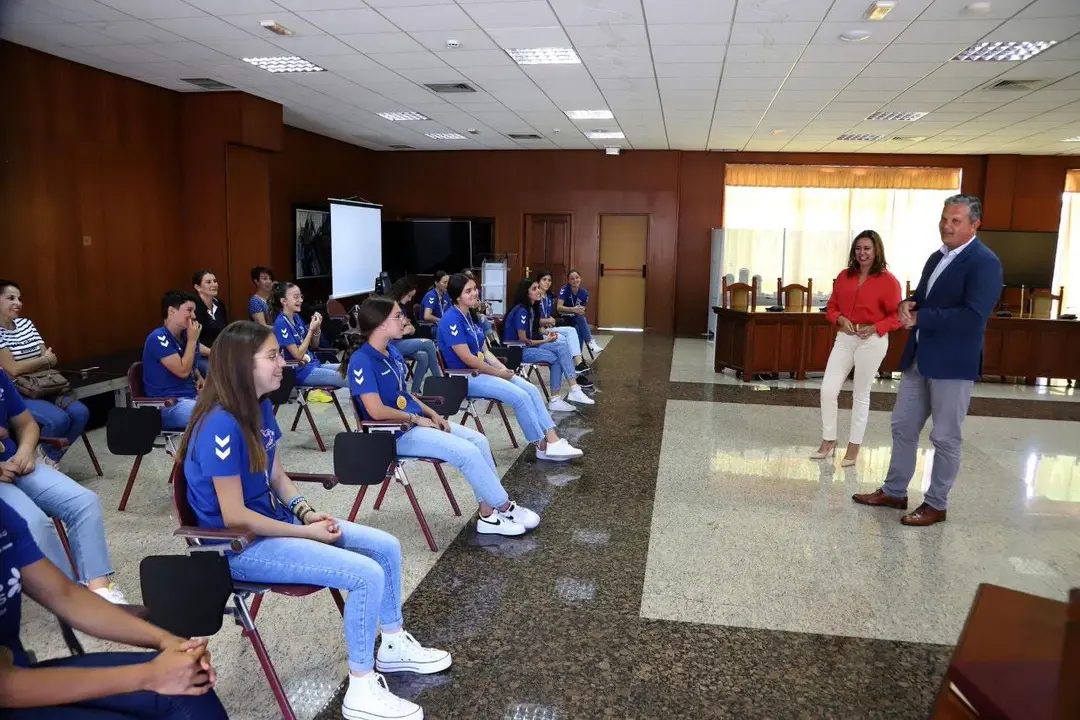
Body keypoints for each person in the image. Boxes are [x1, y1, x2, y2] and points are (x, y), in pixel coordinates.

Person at [178, 321, 449, 720]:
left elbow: (276, 476)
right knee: (365, 574)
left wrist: (307, 510)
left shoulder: (260, 406)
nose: (283, 362)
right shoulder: (221, 423)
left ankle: (392, 644)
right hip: (236, 547)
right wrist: (305, 532)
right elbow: (234, 516)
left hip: (274, 527)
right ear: (239, 366)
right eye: (271, 356)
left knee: (386, 547)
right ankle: (361, 689)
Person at [0, 498, 228, 719]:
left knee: (191, 687)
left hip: (17, 675)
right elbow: (5, 687)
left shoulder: (4, 514)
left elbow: (64, 595)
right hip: (10, 687)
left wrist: (167, 641)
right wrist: (150, 675)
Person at [853, 195, 1003, 526]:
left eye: (956, 221)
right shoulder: (938, 257)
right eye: (944, 219)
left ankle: (936, 503)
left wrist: (922, 318)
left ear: (974, 224)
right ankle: (894, 491)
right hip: (919, 357)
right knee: (902, 426)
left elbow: (973, 317)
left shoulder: (984, 262)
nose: (946, 226)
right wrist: (908, 303)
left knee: (945, 437)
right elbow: (923, 296)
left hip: (952, 363)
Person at [344, 297, 540, 536]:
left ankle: (488, 514)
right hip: (391, 434)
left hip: (413, 424)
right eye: (398, 316)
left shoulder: (391, 351)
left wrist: (432, 413)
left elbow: (403, 394)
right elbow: (374, 411)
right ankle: (505, 506)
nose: (403, 320)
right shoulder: (362, 360)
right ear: (381, 324)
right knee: (467, 453)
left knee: (479, 441)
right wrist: (416, 419)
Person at [0, 368, 128, 603]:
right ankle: (69, 598)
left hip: (17, 463)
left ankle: (99, 587)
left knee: (84, 502)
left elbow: (27, 424)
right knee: (33, 521)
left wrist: (26, 452)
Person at [436, 274, 583, 461]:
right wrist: (498, 373)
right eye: (468, 291)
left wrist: (503, 369)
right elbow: (468, 359)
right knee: (519, 397)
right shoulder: (451, 320)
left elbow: (485, 352)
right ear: (457, 296)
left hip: (483, 372)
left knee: (530, 389)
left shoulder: (470, 317)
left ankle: (552, 440)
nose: (475, 293)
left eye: (475, 288)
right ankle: (541, 444)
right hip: (465, 377)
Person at [813, 231, 901, 467]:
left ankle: (853, 448)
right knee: (828, 390)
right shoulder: (844, 276)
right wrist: (840, 319)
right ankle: (829, 440)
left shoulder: (888, 281)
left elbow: (898, 316)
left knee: (860, 394)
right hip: (845, 338)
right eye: (858, 249)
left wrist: (875, 328)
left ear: (877, 251)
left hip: (872, 341)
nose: (862, 253)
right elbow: (831, 307)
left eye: (867, 249)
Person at [0, 280, 91, 468]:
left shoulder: (26, 324)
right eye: (11, 298)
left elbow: (52, 359)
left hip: (45, 386)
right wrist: (41, 361)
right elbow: (12, 369)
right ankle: (41, 462)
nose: (18, 303)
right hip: (19, 392)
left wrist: (34, 363)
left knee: (81, 412)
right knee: (59, 419)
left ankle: (48, 459)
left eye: (19, 298)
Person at [505, 279, 594, 412]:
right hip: (517, 351)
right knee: (557, 356)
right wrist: (545, 341)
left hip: (529, 347)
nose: (538, 291)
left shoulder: (531, 308)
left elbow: (533, 332)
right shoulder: (522, 311)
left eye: (537, 288)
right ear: (525, 292)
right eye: (534, 289)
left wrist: (546, 336)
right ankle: (561, 397)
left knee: (561, 346)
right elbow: (523, 340)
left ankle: (571, 391)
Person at [142, 291, 202, 431]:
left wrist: (199, 376)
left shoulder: (186, 337)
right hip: (169, 405)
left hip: (192, 397)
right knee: (214, 416)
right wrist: (193, 341)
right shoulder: (158, 338)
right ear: (171, 311)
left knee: (232, 407)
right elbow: (182, 371)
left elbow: (191, 365)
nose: (193, 316)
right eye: (189, 310)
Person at [269, 282, 347, 389]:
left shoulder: (296, 317)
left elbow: (314, 345)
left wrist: (317, 328)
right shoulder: (281, 323)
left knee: (351, 368)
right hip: (300, 372)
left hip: (313, 364)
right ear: (284, 301)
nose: (300, 300)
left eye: (301, 296)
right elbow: (298, 355)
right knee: (346, 377)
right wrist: (310, 329)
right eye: (296, 297)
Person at [387, 278, 443, 393]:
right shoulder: (389, 306)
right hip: (390, 343)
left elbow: (411, 328)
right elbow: (394, 331)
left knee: (423, 357)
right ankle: (440, 382)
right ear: (401, 292)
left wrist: (408, 329)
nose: (410, 299)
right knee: (428, 343)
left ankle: (415, 392)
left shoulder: (401, 307)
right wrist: (405, 330)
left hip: (399, 341)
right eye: (408, 296)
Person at [535, 270, 590, 374]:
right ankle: (571, 369)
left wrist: (550, 319)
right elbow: (532, 320)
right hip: (539, 331)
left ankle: (579, 363)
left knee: (572, 331)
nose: (547, 282)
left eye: (549, 280)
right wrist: (547, 320)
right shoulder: (534, 297)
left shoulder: (549, 297)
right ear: (538, 281)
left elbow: (546, 314)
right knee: (565, 341)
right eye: (544, 280)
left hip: (548, 327)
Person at [557, 270, 602, 356]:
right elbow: (558, 307)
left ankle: (578, 356)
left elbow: (583, 310)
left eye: (577, 278)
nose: (575, 280)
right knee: (580, 321)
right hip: (564, 317)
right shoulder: (565, 289)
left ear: (580, 279)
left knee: (578, 327)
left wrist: (581, 310)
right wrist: (572, 309)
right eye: (572, 279)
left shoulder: (584, 293)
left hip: (576, 319)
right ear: (569, 281)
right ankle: (590, 342)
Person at [192, 270, 228, 378]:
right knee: (221, 374)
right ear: (198, 287)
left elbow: (226, 330)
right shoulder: (193, 308)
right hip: (201, 356)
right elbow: (193, 342)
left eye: (215, 281)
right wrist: (215, 353)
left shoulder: (219, 304)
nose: (214, 284)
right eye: (208, 282)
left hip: (220, 353)